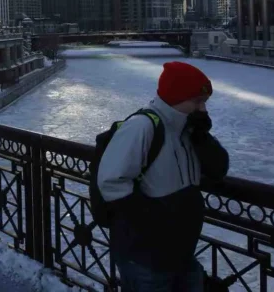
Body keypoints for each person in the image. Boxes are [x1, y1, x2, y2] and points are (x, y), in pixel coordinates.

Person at [97, 61, 230, 292]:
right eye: (197, 101)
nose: (203, 109)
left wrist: (202, 137)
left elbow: (218, 170)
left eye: (205, 102)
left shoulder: (188, 130)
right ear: (177, 98)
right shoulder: (142, 127)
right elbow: (111, 181)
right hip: (145, 257)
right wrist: (153, 221)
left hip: (181, 254)